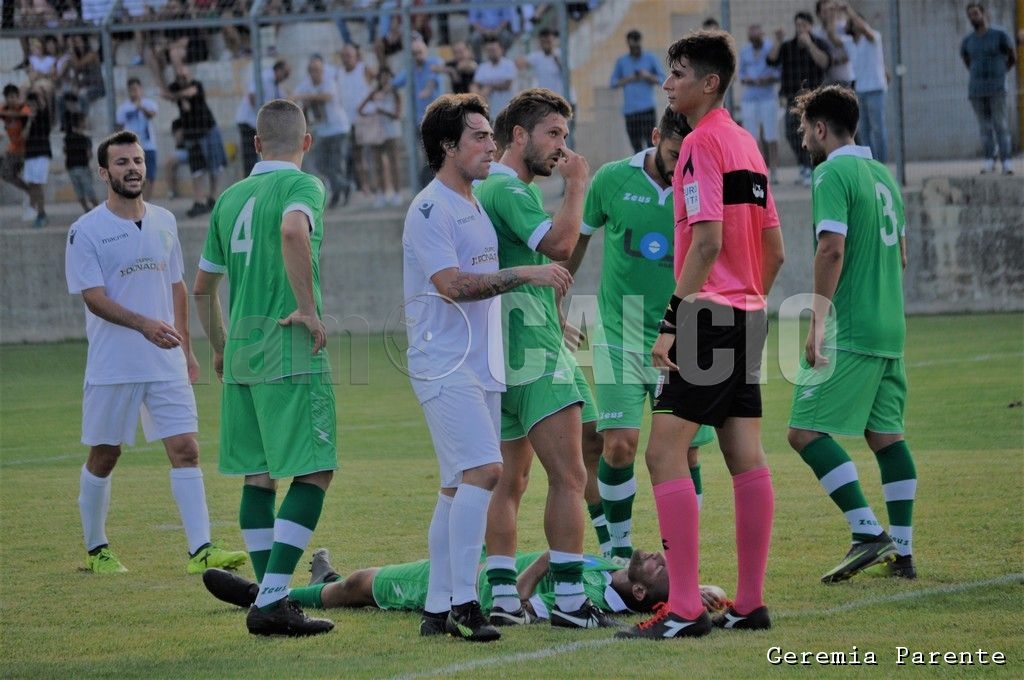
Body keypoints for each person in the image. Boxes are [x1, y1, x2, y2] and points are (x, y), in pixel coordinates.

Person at [617, 30, 785, 640]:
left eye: (678, 73)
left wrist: (674, 321)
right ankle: (749, 602)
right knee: (744, 454)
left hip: (707, 317)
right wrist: (745, 303)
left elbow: (707, 239)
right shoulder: (748, 143)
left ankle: (685, 608)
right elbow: (775, 247)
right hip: (748, 314)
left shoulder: (700, 145)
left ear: (709, 83)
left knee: (662, 453)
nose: (667, 84)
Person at [402, 92, 574, 641]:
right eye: (478, 136)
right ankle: (466, 604)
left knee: (457, 485)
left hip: (481, 364)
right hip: (443, 362)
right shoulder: (430, 208)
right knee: (487, 471)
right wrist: (527, 274)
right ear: (448, 146)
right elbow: (451, 286)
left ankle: (435, 611)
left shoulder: (473, 202)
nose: (490, 144)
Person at [63, 130, 248, 577]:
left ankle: (201, 549)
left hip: (165, 361)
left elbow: (177, 286)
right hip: (115, 364)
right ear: (104, 172)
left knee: (186, 449)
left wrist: (185, 348)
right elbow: (92, 297)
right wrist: (144, 325)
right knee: (105, 455)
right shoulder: (85, 230)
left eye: (138, 161)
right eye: (122, 163)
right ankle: (97, 548)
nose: (133, 169)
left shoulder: (165, 221)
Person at [192, 99, 337, 638]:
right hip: (287, 345)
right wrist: (307, 308)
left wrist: (221, 346)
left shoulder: (229, 199)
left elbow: (203, 289)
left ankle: (267, 593)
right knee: (316, 469)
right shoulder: (305, 186)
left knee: (259, 476)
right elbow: (294, 231)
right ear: (307, 141)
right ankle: (273, 598)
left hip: (245, 351)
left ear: (255, 144)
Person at [474, 88, 616, 631]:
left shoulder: (489, 189)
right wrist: (579, 184)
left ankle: (506, 595)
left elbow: (518, 263)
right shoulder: (511, 190)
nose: (561, 147)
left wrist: (551, 310)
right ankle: (572, 599)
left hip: (500, 349)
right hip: (531, 351)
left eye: (565, 136)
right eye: (553, 134)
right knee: (572, 473)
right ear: (518, 136)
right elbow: (559, 245)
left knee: (510, 479)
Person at [565, 108, 716, 562]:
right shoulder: (612, 180)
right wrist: (554, 300)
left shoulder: (700, 185)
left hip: (685, 334)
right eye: (674, 153)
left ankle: (680, 558)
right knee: (618, 444)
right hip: (620, 333)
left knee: (686, 453)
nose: (680, 165)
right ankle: (619, 554)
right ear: (655, 138)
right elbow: (578, 240)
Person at [787, 84, 918, 584]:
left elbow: (832, 250)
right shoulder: (884, 175)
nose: (804, 139)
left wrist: (818, 317)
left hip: (853, 327)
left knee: (804, 431)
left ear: (821, 127)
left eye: (804, 129)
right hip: (891, 326)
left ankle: (867, 531)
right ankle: (902, 553)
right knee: (886, 436)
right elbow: (901, 256)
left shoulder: (832, 172)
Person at [201, 547, 731, 623]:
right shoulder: (610, 564)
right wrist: (696, 585)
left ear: (639, 594)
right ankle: (324, 578)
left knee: (363, 586)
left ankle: (263, 596)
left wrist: (547, 560)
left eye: (660, 570)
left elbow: (520, 605)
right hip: (476, 555)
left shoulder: (590, 599)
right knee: (362, 581)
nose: (659, 557)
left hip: (468, 585)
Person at [767, 12, 831, 186]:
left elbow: (825, 63)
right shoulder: (788, 46)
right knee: (791, 132)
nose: (800, 28)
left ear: (810, 26)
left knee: (815, 134)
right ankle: (804, 165)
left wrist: (809, 45)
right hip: (792, 98)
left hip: (814, 98)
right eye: (797, 25)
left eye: (803, 24)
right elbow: (771, 60)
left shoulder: (819, 43)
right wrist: (778, 41)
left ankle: (814, 167)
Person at [164, 65, 227, 218]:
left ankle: (213, 198)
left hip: (208, 129)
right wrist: (180, 95)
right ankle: (199, 201)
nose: (182, 75)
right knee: (197, 169)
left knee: (215, 166)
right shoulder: (174, 87)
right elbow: (165, 94)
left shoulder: (196, 84)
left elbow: (190, 92)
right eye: (179, 73)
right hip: (192, 134)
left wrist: (179, 96)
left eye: (184, 72)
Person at [960, 2, 1016, 175]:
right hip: (977, 90)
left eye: (975, 13)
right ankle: (989, 160)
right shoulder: (968, 41)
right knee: (984, 128)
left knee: (1000, 125)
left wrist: (1001, 72)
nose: (973, 17)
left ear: (983, 13)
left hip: (997, 88)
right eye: (970, 15)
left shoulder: (999, 35)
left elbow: (1012, 56)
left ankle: (1006, 161)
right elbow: (967, 60)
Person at [293, 54, 352, 209]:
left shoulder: (328, 81)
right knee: (320, 163)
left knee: (335, 165)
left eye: (318, 70)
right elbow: (294, 96)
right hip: (323, 131)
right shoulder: (307, 83)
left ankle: (338, 193)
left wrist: (304, 96)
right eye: (312, 70)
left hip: (338, 128)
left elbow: (326, 96)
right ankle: (343, 186)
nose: (315, 73)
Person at [846, 3, 890, 164]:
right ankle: (870, 163)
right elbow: (834, 39)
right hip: (860, 90)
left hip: (875, 89)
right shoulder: (850, 43)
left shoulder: (873, 37)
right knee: (864, 131)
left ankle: (882, 164)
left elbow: (863, 29)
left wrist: (847, 10)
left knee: (878, 129)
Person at [738, 23, 781, 183]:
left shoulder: (771, 47)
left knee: (771, 134)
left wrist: (768, 78)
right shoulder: (744, 50)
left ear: (762, 35)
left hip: (768, 96)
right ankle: (759, 169)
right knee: (751, 137)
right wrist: (747, 79)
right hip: (749, 97)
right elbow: (741, 73)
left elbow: (777, 70)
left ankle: (774, 170)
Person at [610, 30, 666, 153]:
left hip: (647, 109)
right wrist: (629, 79)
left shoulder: (650, 58)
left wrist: (647, 76)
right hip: (630, 111)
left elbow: (662, 79)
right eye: (632, 46)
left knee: (651, 145)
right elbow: (613, 83)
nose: (635, 48)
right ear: (628, 45)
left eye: (637, 45)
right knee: (636, 148)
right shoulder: (622, 61)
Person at [234, 59, 291, 179]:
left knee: (258, 153)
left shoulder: (275, 84)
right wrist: (263, 116)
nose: (285, 78)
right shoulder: (265, 77)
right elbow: (252, 96)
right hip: (248, 121)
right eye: (285, 74)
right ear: (278, 70)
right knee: (250, 154)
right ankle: (249, 182)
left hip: (257, 123)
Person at [358, 67, 402, 208]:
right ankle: (382, 194)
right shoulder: (374, 93)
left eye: (387, 77)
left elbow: (397, 115)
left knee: (393, 163)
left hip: (391, 132)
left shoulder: (395, 94)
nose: (385, 80)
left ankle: (396, 192)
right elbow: (360, 109)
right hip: (376, 133)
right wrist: (371, 112)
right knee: (377, 165)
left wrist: (381, 110)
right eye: (382, 77)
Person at [115, 78, 159, 201]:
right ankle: (136, 200)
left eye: (136, 89)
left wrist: (141, 108)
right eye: (131, 90)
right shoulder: (123, 108)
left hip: (149, 145)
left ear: (141, 89)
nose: (134, 92)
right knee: (134, 174)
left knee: (150, 175)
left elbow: (152, 114)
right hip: (132, 147)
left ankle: (146, 201)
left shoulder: (148, 104)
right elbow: (119, 127)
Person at [516, 28, 574, 107]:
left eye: (548, 41)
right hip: (548, 102)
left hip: (565, 100)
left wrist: (556, 59)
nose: (546, 44)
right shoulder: (537, 56)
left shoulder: (561, 54)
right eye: (543, 42)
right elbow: (519, 62)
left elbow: (568, 74)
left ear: (553, 40)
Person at [22, 90, 51, 229]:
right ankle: (37, 212)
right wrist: (29, 120)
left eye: (33, 104)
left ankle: (42, 214)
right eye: (29, 105)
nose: (31, 107)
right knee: (32, 184)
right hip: (30, 155)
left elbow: (45, 104)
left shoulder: (44, 115)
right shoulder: (25, 118)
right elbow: (24, 136)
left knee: (37, 184)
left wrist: (39, 97)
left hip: (41, 154)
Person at [472, 37, 518, 118]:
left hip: (508, 110)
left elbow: (508, 85)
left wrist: (490, 87)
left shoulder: (509, 64)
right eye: (489, 50)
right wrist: (478, 95)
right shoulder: (482, 67)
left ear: (501, 49)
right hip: (490, 112)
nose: (491, 53)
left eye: (494, 50)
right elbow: (475, 84)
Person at [63, 111, 99, 213]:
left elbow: (64, 150)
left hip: (71, 167)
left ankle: (86, 210)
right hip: (83, 167)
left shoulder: (67, 138)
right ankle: (98, 211)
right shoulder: (85, 139)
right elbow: (89, 155)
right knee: (89, 190)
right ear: (80, 123)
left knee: (79, 192)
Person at [0, 83, 31, 201]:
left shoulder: (23, 108)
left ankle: (30, 191)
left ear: (18, 97)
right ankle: (27, 189)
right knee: (6, 175)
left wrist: (14, 115)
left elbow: (26, 113)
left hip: (25, 150)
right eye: (9, 97)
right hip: (13, 149)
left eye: (13, 97)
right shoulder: (4, 109)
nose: (11, 100)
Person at [814, 0, 855, 87]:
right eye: (825, 11)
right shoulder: (816, 33)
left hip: (844, 78)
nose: (828, 14)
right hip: (825, 81)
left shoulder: (843, 27)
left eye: (831, 10)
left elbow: (851, 51)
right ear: (819, 14)